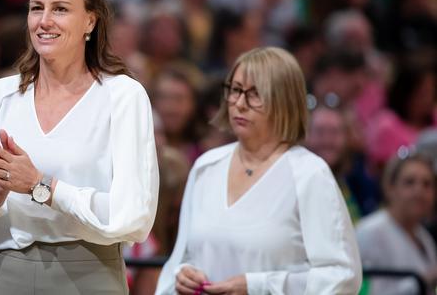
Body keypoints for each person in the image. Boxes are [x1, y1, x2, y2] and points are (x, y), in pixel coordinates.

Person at [0, 0, 159, 294]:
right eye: (36, 8)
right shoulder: (1, 95)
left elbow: (133, 216)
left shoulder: (123, 97)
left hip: (89, 274)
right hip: (5, 273)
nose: (44, 21)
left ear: (90, 20)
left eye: (59, 9)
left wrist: (42, 187)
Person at [156, 47, 362, 294]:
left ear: (284, 101)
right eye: (235, 90)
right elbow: (181, 259)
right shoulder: (206, 167)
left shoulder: (310, 174)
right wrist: (183, 276)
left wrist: (259, 286)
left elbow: (342, 277)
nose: (240, 104)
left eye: (255, 94)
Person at [356, 152, 437, 295]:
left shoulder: (423, 235)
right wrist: (424, 280)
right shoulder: (370, 232)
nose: (419, 191)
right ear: (390, 188)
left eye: (427, 184)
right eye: (409, 182)